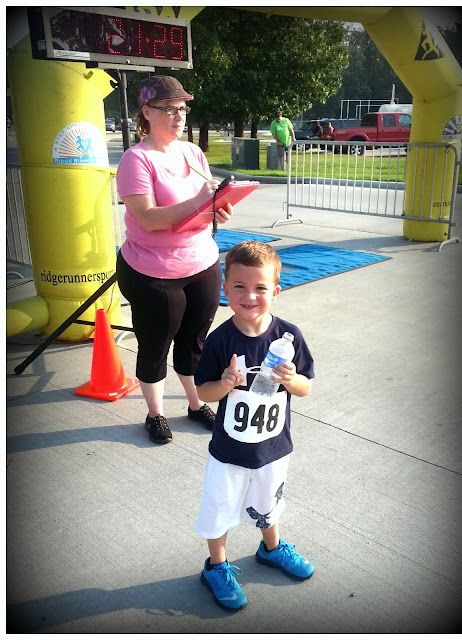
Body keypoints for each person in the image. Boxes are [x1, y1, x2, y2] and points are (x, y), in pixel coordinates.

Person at [193, 240, 315, 611]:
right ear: (225, 289)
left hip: (272, 449)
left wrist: (291, 379)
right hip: (229, 452)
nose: (250, 296)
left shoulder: (289, 337)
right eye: (240, 287)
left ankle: (271, 549)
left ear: (275, 291)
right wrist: (224, 384)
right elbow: (202, 391)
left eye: (260, 287)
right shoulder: (219, 340)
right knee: (220, 508)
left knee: (268, 504)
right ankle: (216, 567)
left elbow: (306, 387)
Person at [116, 75, 233, 445]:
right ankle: (155, 414)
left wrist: (217, 207)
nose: (178, 115)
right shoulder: (136, 160)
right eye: (168, 108)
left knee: (194, 340)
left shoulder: (192, 153)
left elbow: (205, 202)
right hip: (153, 270)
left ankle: (196, 404)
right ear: (147, 112)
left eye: (182, 108)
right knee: (155, 345)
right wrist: (199, 202)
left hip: (201, 261)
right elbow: (149, 219)